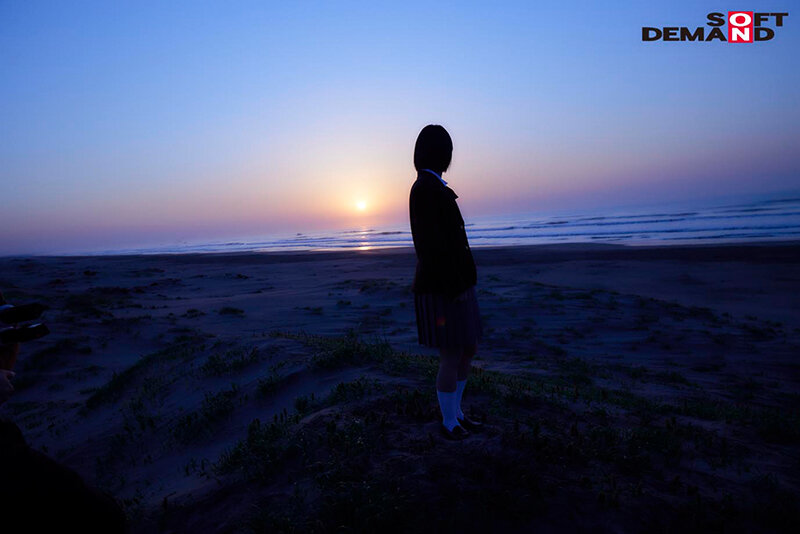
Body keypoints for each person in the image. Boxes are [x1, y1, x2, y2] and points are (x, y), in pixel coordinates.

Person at [408, 124, 484, 441]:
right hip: (443, 288)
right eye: (448, 149)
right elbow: (431, 248)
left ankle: (457, 413)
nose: (450, 156)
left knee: (468, 348)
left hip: (457, 284)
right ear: (440, 153)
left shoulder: (433, 185)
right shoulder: (425, 188)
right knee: (452, 353)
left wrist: (465, 281)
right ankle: (449, 421)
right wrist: (455, 287)